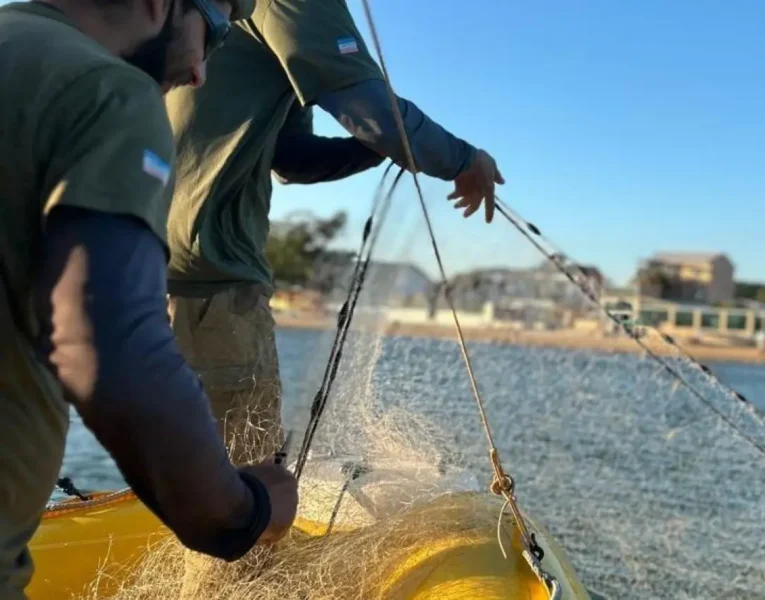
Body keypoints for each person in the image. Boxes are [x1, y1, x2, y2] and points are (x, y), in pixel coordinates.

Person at [0, 0, 300, 595]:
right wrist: (243, 511)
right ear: (158, 4)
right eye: (214, 34)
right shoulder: (108, 91)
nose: (198, 76)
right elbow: (107, 348)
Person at [164, 0, 504, 465]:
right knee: (242, 495)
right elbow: (373, 113)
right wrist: (465, 160)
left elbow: (292, 158)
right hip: (211, 290)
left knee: (184, 480)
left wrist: (382, 148)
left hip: (135, 283)